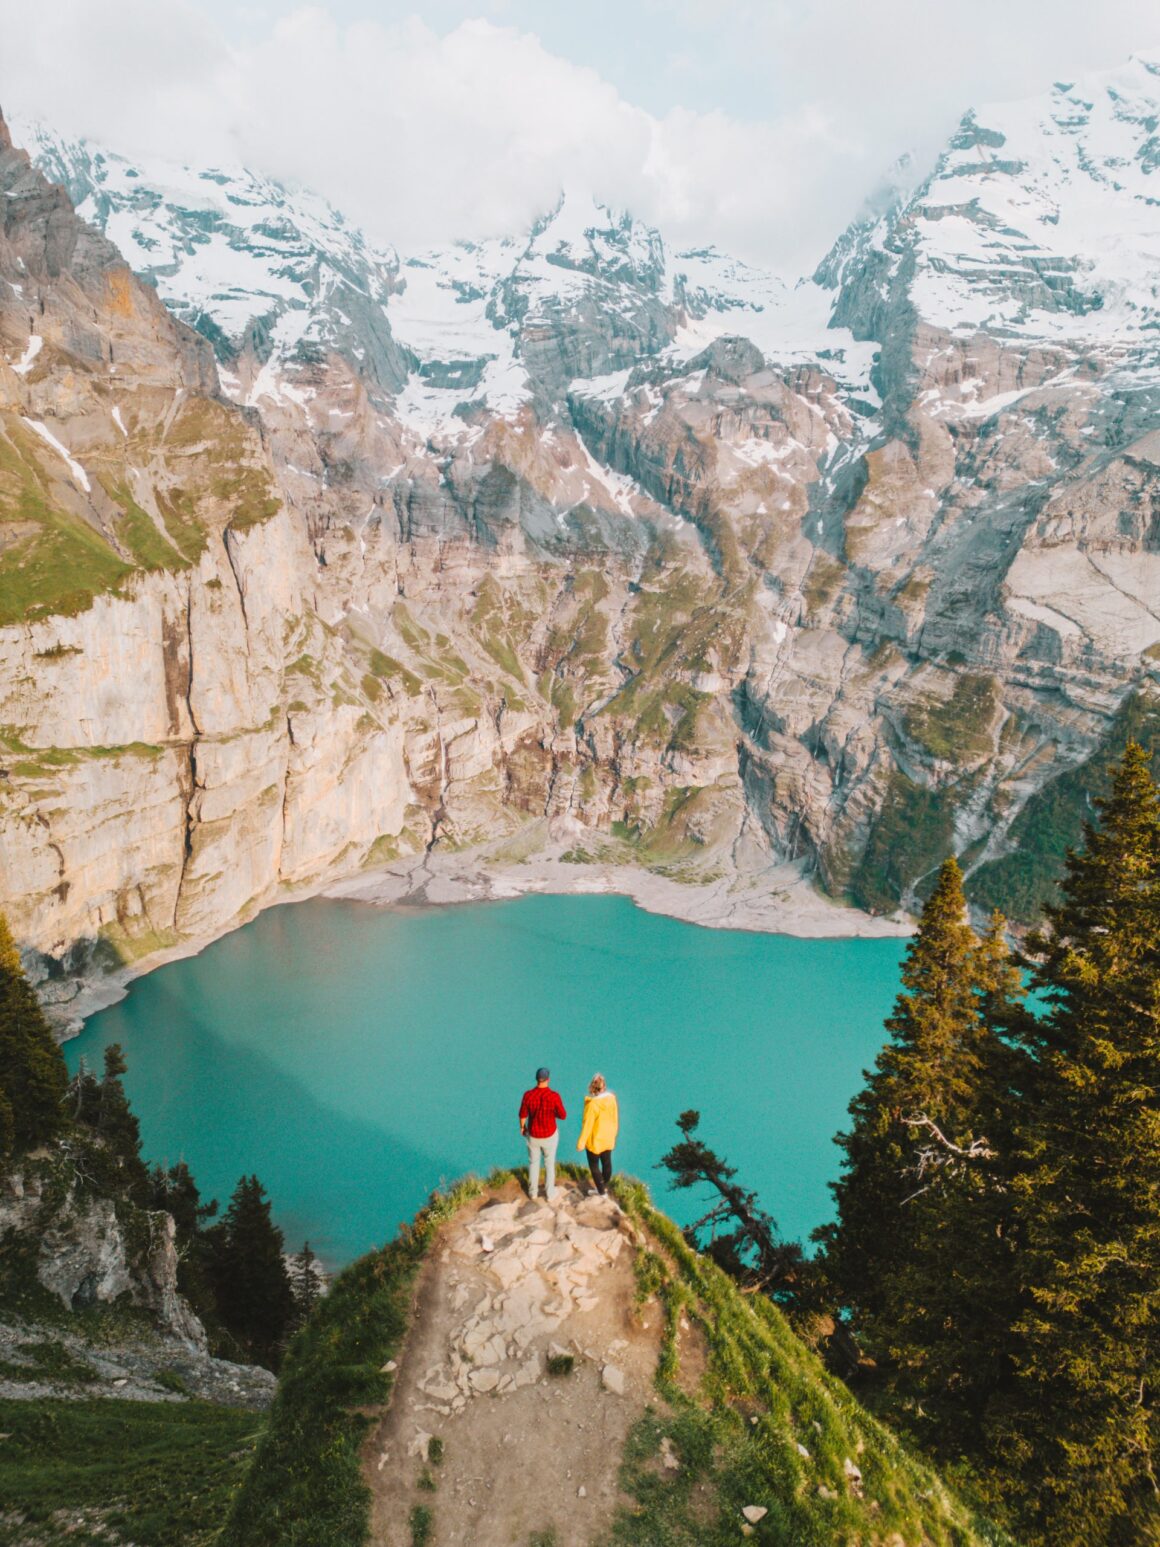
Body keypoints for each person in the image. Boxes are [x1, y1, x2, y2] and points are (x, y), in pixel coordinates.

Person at [519, 1066, 566, 1202]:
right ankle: (550, 1194)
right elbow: (563, 1115)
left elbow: (522, 1114)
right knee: (549, 1164)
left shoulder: (528, 1095)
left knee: (533, 1163)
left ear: (536, 1079)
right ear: (548, 1079)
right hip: (549, 1135)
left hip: (533, 1135)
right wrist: (554, 1113)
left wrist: (523, 1127)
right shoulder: (554, 1096)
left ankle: (533, 1193)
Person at [577, 1072, 618, 1195]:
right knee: (607, 1163)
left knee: (594, 1166)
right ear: (604, 1086)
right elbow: (615, 1118)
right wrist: (614, 1133)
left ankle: (601, 1192)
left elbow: (588, 1125)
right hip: (608, 1137)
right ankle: (604, 1185)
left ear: (592, 1088)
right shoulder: (612, 1099)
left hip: (595, 1140)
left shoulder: (593, 1105)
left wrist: (581, 1143)